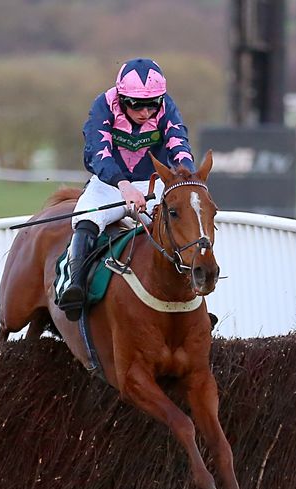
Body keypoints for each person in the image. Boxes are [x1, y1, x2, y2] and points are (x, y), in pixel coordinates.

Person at [58, 58, 196, 321]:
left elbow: (179, 143)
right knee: (85, 219)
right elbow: (98, 153)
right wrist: (123, 186)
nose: (146, 112)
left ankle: (192, 295)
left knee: (178, 226)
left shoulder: (167, 107)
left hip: (152, 184)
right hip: (109, 183)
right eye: (137, 104)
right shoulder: (103, 105)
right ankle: (74, 285)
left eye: (152, 104)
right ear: (121, 98)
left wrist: (185, 175)